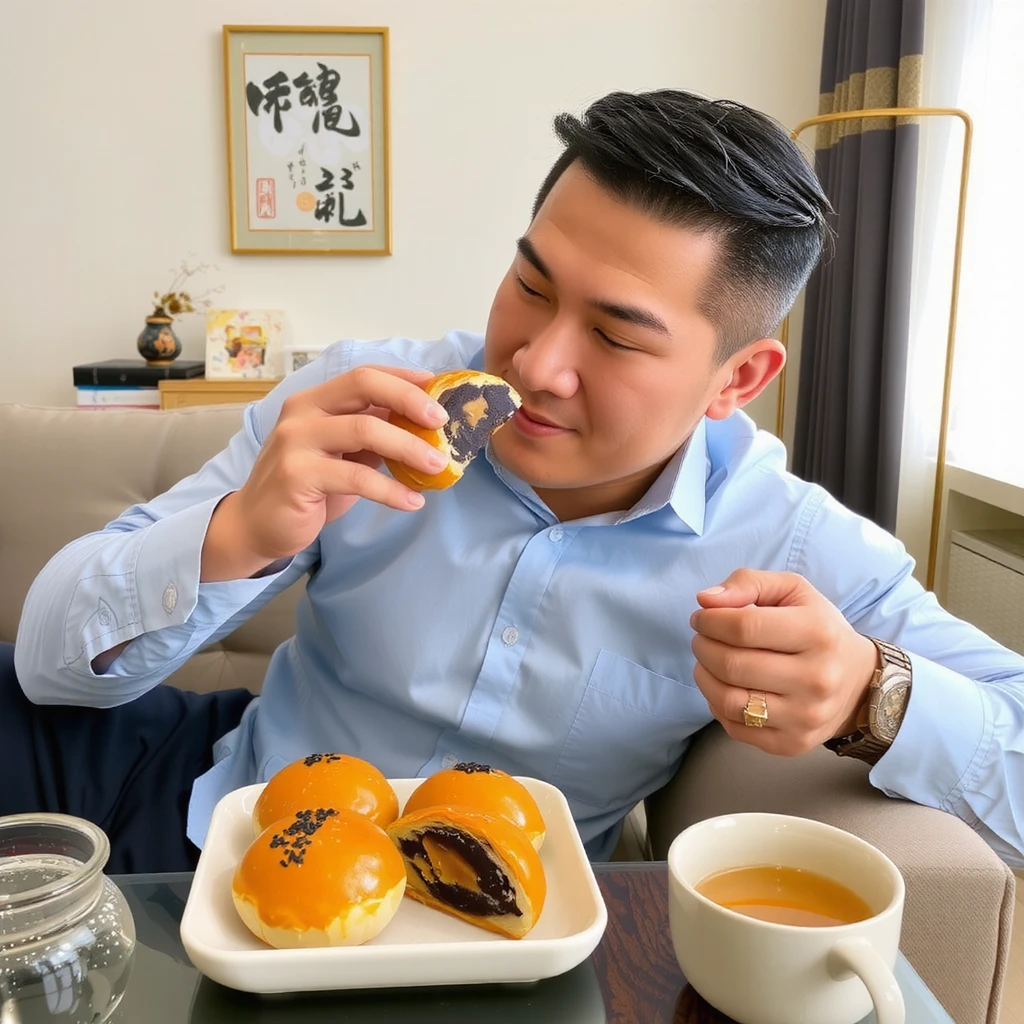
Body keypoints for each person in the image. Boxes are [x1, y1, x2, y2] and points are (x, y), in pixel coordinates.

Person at [6, 89, 1024, 874]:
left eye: (618, 334)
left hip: (492, 901)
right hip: (234, 796)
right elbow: (51, 662)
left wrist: (870, 695)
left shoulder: (790, 542)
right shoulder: (369, 400)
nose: (535, 363)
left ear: (737, 378)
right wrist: (235, 534)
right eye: (530, 285)